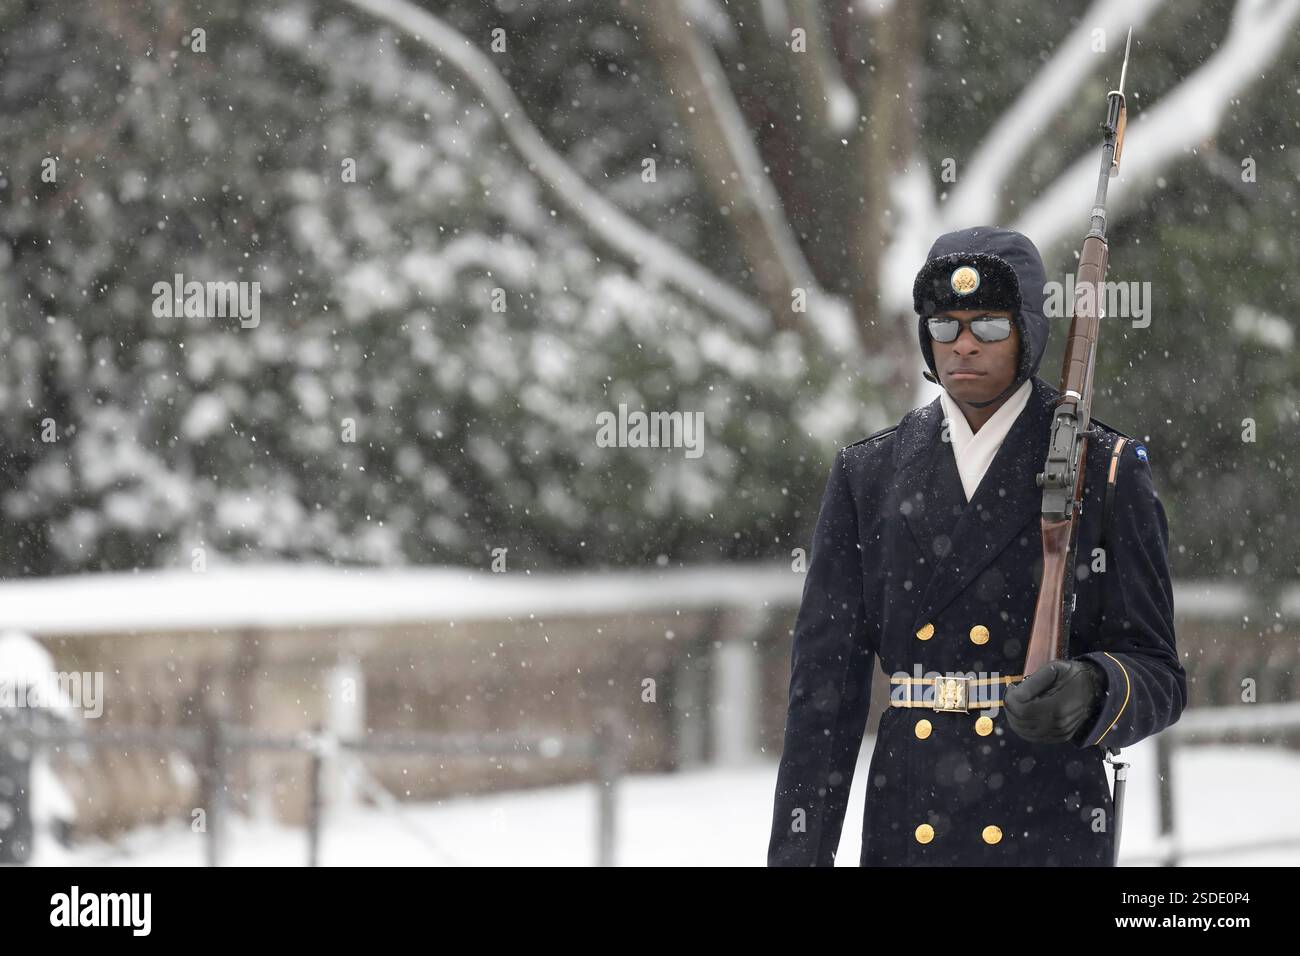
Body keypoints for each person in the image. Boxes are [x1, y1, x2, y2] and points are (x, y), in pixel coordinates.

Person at [767, 225, 1187, 866]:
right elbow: (823, 698)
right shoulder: (868, 474)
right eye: (945, 326)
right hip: (910, 825)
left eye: (988, 325)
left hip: (1045, 822)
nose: (964, 345)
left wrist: (1097, 688)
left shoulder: (1104, 467)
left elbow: (1158, 669)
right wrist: (799, 855)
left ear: (1027, 331)